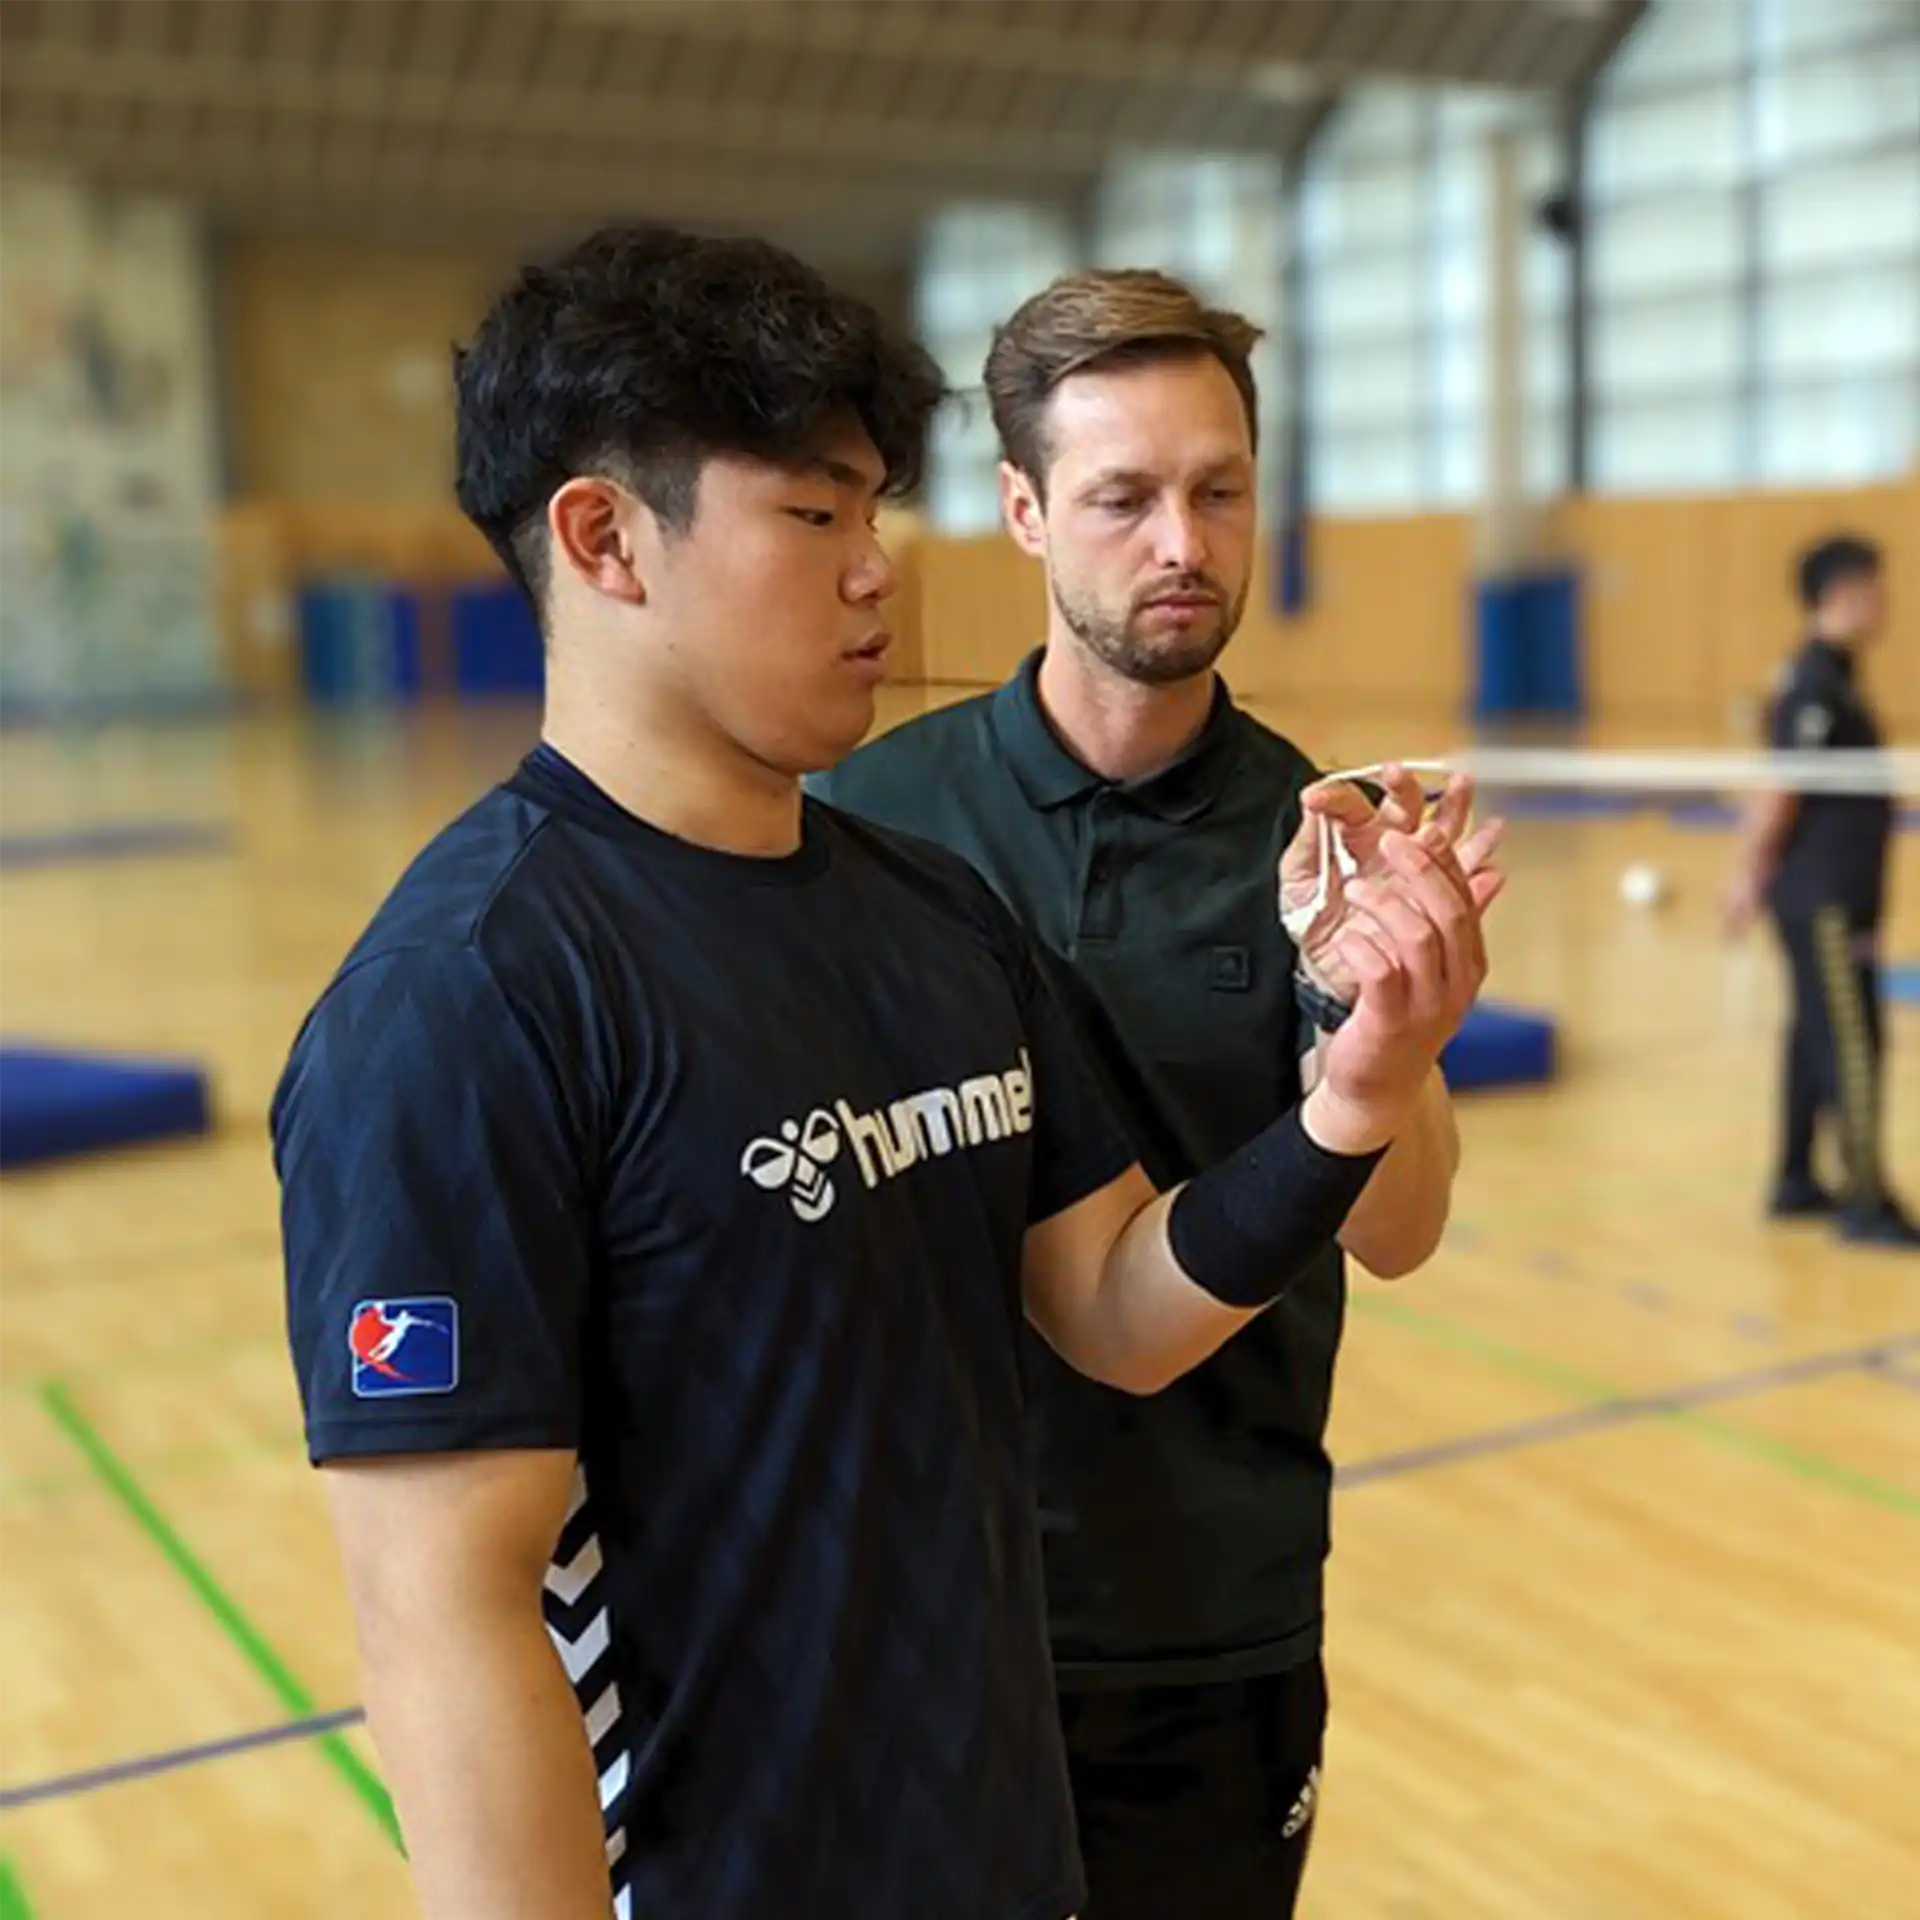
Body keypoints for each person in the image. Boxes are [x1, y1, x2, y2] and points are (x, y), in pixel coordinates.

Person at [270, 228, 1497, 1920]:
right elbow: (441, 1622)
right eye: (813, 515)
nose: (877, 574)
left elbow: (1118, 1304)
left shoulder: (931, 922)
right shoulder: (465, 1006)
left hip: (1006, 1840)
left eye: (872, 514)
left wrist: (1360, 1093)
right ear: (603, 538)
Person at [812, 268, 1500, 1916]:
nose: (1181, 543)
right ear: (1027, 513)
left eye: (1219, 491)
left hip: (1212, 1612)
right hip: (919, 1610)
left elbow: (1398, 1236)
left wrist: (1380, 1032)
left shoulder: (1323, 838)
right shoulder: (869, 818)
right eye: (1123, 498)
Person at [1725, 533, 1917, 1247]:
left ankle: (1794, 1179)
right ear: (1844, 594)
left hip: (1837, 897)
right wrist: (1746, 875)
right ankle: (1866, 1199)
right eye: (1876, 585)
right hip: (1825, 902)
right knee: (1852, 1039)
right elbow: (1780, 787)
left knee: (1812, 1034)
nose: (1888, 601)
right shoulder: (1813, 681)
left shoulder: (1835, 675)